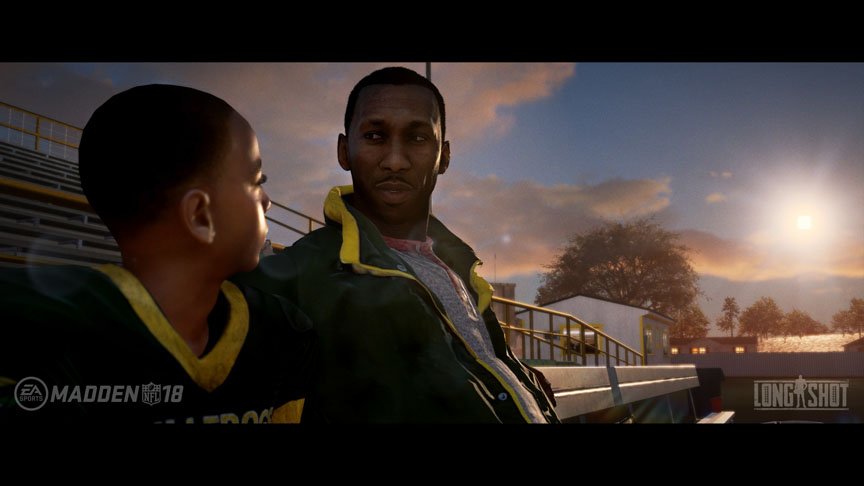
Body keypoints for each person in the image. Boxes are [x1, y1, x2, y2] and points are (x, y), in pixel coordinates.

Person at [235, 67, 559, 423]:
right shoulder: (294, 277)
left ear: (444, 156)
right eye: (375, 135)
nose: (395, 160)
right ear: (344, 151)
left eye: (418, 139)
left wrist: (510, 373)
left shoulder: (457, 265)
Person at [0, 84, 314, 423]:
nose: (266, 200)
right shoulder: (34, 329)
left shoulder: (281, 328)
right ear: (199, 215)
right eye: (256, 180)